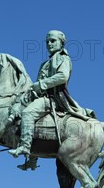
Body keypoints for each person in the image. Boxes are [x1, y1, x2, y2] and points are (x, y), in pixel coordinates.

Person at [8, 29, 95, 158]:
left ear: (61, 43)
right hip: (41, 97)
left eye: (53, 41)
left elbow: (62, 76)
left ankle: (25, 147)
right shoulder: (45, 64)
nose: (49, 44)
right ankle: (32, 160)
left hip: (52, 99)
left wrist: (41, 84)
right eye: (47, 42)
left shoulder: (63, 58)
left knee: (28, 113)